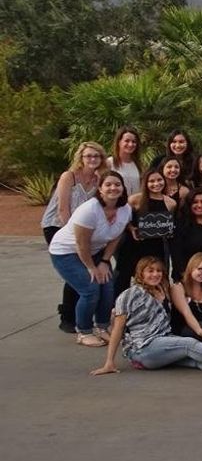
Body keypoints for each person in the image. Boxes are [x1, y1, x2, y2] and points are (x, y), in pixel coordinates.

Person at [91, 257, 202, 378]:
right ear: (140, 273)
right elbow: (118, 329)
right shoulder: (129, 295)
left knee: (194, 359)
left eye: (159, 271)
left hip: (163, 343)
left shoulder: (163, 290)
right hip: (143, 349)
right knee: (189, 344)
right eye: (150, 271)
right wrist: (109, 362)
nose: (155, 274)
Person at [49, 171, 132, 347]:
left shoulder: (125, 209)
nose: (113, 188)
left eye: (117, 184)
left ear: (123, 188)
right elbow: (81, 243)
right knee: (90, 288)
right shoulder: (89, 210)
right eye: (108, 184)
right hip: (66, 252)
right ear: (100, 189)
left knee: (107, 286)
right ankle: (84, 331)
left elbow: (116, 236)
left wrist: (104, 261)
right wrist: (91, 267)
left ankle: (102, 327)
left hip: (94, 252)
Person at [41, 141, 106, 333]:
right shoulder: (69, 177)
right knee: (75, 271)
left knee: (81, 272)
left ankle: (79, 314)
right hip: (58, 226)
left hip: (82, 230)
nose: (92, 159)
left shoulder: (98, 180)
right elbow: (63, 209)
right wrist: (74, 236)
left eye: (96, 156)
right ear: (81, 158)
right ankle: (67, 317)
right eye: (89, 156)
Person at [114, 168, 177, 296]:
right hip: (134, 245)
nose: (156, 184)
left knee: (154, 279)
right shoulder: (134, 200)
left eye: (159, 180)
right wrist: (131, 228)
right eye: (151, 181)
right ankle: (119, 305)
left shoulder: (171, 203)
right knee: (124, 278)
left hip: (156, 247)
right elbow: (122, 218)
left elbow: (169, 224)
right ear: (145, 183)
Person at [106, 126, 141, 196]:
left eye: (134, 142)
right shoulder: (109, 163)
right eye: (127, 141)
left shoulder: (139, 165)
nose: (130, 144)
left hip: (135, 202)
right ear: (119, 142)